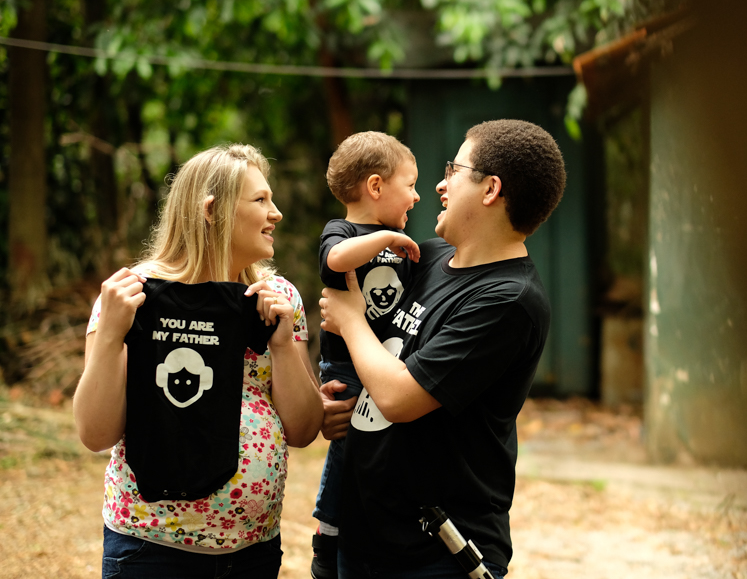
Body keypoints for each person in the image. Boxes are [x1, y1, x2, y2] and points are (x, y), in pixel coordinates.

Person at [319, 119, 567, 579]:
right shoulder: (424, 257)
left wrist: (350, 317)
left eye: (453, 169)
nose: (439, 183)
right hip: (366, 535)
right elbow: (377, 360)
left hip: (436, 555)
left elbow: (398, 396)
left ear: (491, 189)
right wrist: (339, 402)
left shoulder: (509, 300)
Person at [73, 143, 323, 579]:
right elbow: (95, 434)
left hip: (254, 552)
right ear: (212, 210)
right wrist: (113, 333)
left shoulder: (278, 300)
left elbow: (302, 431)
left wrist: (282, 344)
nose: (276, 212)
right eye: (261, 200)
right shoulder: (131, 299)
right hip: (151, 550)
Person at [311, 132, 421, 578]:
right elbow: (335, 260)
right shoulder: (343, 232)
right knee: (348, 448)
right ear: (375, 187)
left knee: (377, 451)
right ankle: (328, 531)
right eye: (410, 184)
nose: (416, 195)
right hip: (346, 368)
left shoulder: (401, 243)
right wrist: (384, 239)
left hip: (386, 361)